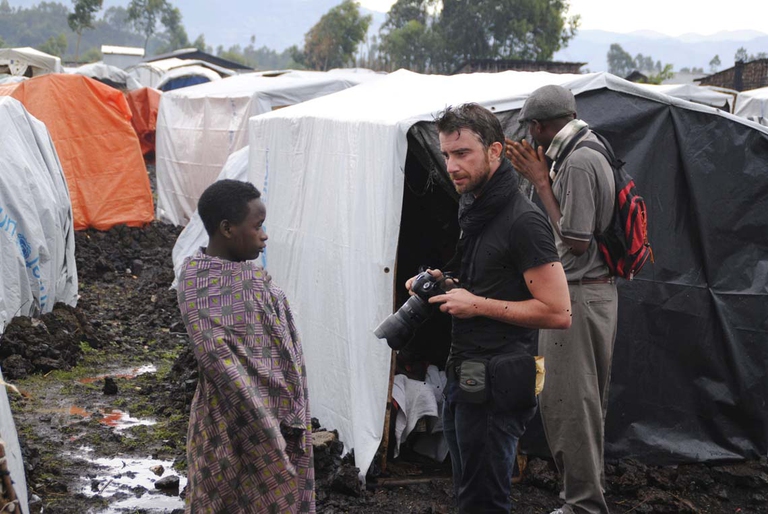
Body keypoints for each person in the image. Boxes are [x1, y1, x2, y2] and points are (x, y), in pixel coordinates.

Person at [406, 103, 571, 513]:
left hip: (499, 384)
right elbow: (490, 282)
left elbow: (558, 312)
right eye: (446, 155)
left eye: (463, 154)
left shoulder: (523, 221)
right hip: (467, 375)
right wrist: (442, 284)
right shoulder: (476, 209)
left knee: (484, 502)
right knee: (469, 495)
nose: (451, 166)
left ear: (495, 151)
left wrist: (476, 304)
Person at [507, 85, 618, 514]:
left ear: (537, 126)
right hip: (592, 295)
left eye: (531, 129)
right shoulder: (593, 145)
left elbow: (574, 240)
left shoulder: (577, 160)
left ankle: (584, 505)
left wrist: (539, 182)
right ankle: (583, 497)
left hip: (578, 295)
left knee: (568, 404)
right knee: (582, 402)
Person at [176, 179, 315, 514]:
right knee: (229, 497)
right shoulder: (200, 282)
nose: (264, 235)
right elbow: (218, 359)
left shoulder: (251, 277)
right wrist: (264, 423)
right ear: (227, 228)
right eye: (257, 226)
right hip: (228, 421)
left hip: (280, 413)